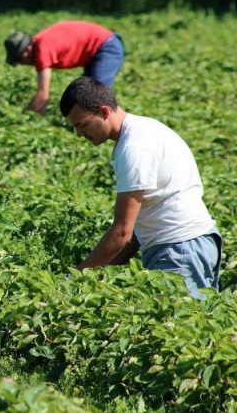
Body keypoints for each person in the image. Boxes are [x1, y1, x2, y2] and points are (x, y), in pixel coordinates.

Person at [59, 76, 221, 298]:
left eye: (82, 124)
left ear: (104, 112)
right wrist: (103, 276)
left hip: (178, 249)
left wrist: (75, 278)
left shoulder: (134, 147)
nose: (79, 134)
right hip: (187, 245)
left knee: (181, 328)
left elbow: (122, 233)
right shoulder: (142, 131)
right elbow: (134, 232)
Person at [4, 20, 125, 115]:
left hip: (106, 46)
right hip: (97, 50)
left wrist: (27, 118)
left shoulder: (42, 49)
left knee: (97, 96)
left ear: (26, 51)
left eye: (19, 60)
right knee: (87, 96)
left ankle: (115, 130)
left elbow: (43, 95)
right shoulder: (41, 42)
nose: (23, 64)